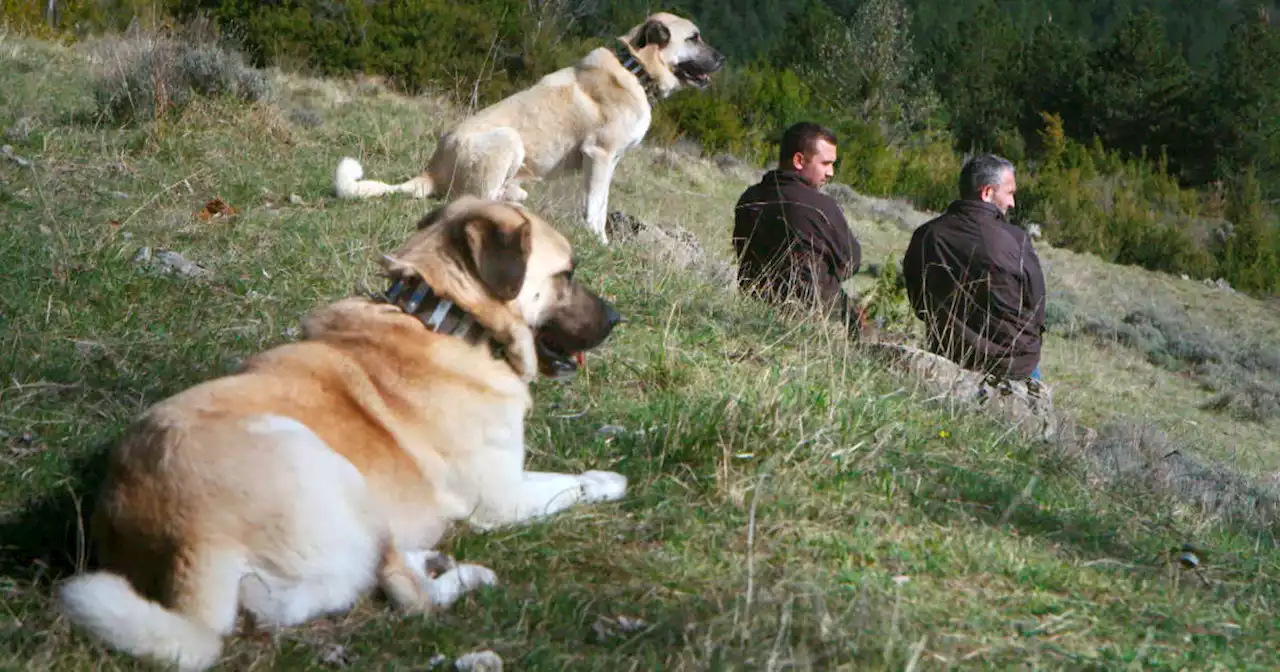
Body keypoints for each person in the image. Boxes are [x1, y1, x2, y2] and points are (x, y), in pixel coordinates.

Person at [902, 154, 1046, 381]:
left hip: (948, 357)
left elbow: (919, 302)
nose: (1012, 203)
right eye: (1009, 193)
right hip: (1012, 366)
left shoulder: (927, 235)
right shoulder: (1016, 240)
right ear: (987, 192)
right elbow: (1036, 308)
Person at [732, 122, 863, 329]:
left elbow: (740, 249)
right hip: (811, 319)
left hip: (751, 306)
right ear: (799, 160)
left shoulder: (749, 198)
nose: (830, 173)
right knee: (861, 327)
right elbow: (852, 261)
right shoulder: (821, 207)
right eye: (825, 163)